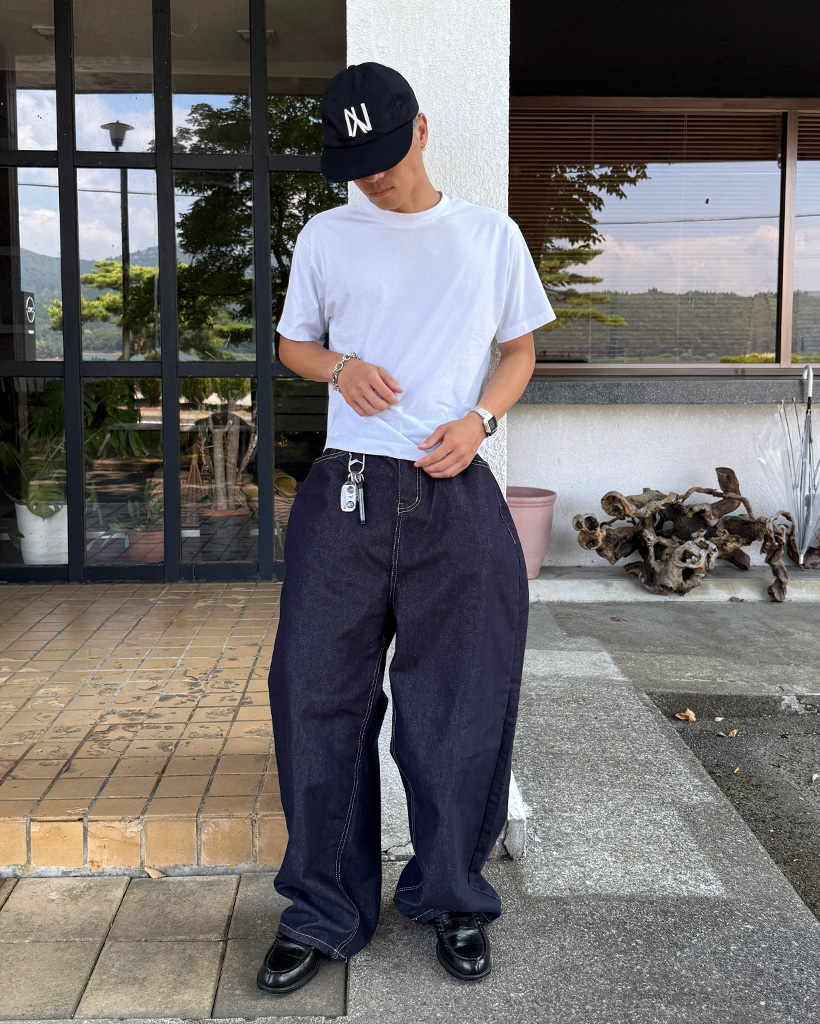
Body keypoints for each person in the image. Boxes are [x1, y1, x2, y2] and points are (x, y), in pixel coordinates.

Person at [257, 61, 556, 995]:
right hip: (345, 493)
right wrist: (339, 367)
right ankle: (323, 908)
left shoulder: (488, 235)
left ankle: (452, 896)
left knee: (459, 706)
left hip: (453, 495)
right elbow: (292, 344)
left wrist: (481, 421)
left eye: (385, 154)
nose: (374, 176)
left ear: (420, 130)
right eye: (356, 163)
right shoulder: (326, 234)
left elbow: (520, 351)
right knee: (315, 698)